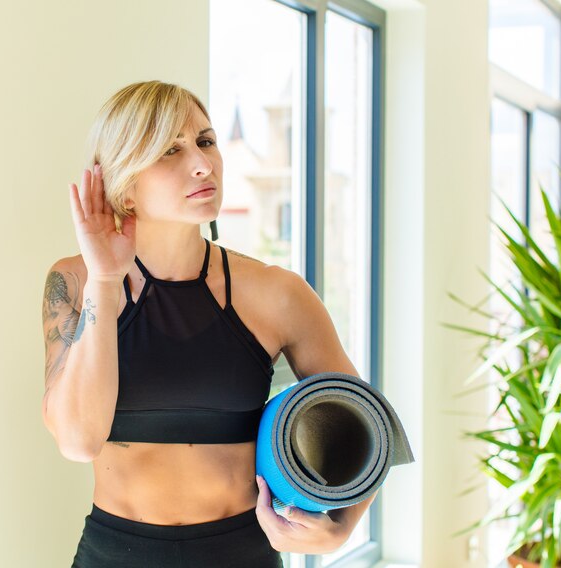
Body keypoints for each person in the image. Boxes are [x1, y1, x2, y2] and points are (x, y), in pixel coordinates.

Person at [41, 80, 376, 567]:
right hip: (115, 554)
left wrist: (340, 529)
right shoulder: (74, 281)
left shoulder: (277, 293)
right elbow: (77, 441)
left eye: (205, 140)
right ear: (125, 183)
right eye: (169, 151)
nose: (202, 164)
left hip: (241, 553)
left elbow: (367, 423)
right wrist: (106, 278)